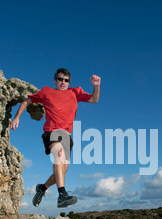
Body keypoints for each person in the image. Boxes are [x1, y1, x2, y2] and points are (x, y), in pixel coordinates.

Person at [10, 68, 101, 208]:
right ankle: (62, 195)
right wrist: (16, 118)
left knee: (61, 174)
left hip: (67, 136)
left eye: (66, 80)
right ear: (55, 80)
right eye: (60, 79)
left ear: (69, 82)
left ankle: (42, 188)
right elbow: (26, 101)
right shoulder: (46, 91)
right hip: (52, 131)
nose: (63, 82)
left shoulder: (75, 92)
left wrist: (96, 85)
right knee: (59, 153)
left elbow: (94, 99)